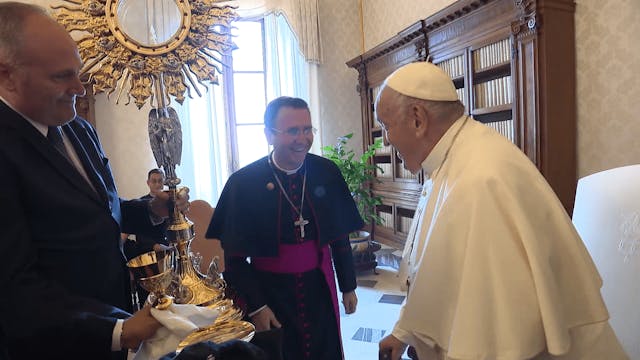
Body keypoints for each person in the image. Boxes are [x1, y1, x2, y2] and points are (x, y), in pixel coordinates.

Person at [375, 61, 628, 360]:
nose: (387, 139)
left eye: (387, 126)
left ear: (418, 120)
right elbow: (435, 272)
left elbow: (492, 339)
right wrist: (404, 330)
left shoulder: (480, 180)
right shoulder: (453, 159)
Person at [0, 3, 188, 359]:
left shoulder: (78, 129)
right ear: (6, 75)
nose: (80, 88)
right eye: (61, 77)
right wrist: (116, 330)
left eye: (78, 72)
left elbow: (96, 213)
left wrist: (152, 209)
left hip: (112, 326)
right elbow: (13, 288)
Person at [206, 96, 363, 360]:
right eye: (292, 130)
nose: (302, 138)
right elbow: (234, 260)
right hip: (270, 291)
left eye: (307, 129)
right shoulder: (243, 184)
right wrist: (258, 306)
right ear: (269, 135)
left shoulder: (326, 172)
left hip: (319, 289)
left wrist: (348, 286)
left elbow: (339, 236)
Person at [124, 168, 172, 261]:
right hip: (148, 251)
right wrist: (155, 246)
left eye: (160, 181)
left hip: (167, 247)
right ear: (148, 183)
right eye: (154, 181)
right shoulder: (140, 204)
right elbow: (139, 233)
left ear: (164, 182)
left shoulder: (168, 202)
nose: (157, 184)